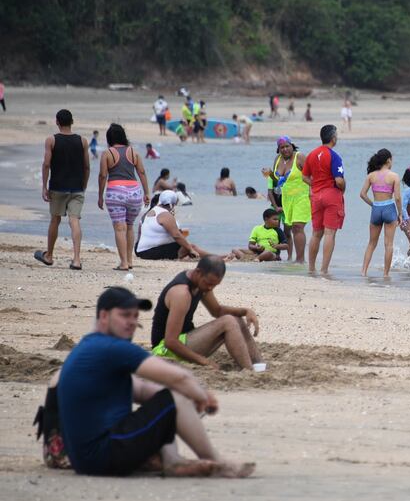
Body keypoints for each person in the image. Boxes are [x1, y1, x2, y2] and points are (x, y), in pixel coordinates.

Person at [54, 285, 254, 477]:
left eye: (135, 316)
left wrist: (187, 397)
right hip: (104, 454)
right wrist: (202, 397)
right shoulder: (112, 347)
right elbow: (178, 377)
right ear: (104, 316)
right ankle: (218, 463)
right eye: (125, 315)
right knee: (176, 395)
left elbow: (141, 389)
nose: (132, 322)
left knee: (170, 396)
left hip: (85, 459)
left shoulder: (90, 345)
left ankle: (173, 461)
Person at [151, 256, 263, 371]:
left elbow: (217, 310)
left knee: (236, 319)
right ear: (198, 272)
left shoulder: (201, 284)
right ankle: (249, 370)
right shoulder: (181, 293)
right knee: (228, 322)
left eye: (214, 285)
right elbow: (170, 341)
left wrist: (246, 311)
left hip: (185, 339)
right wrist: (203, 361)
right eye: (209, 283)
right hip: (164, 349)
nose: (210, 288)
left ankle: (259, 366)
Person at [36, 109, 89, 270]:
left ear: (57, 122)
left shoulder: (51, 140)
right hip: (77, 187)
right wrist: (84, 185)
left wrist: (44, 186)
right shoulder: (82, 141)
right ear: (72, 122)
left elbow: (46, 164)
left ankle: (49, 256)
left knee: (55, 219)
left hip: (58, 186)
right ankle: (77, 259)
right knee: (74, 220)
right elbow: (87, 166)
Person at [97, 124, 149, 271]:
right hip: (134, 192)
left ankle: (124, 263)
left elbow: (102, 175)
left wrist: (100, 195)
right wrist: (146, 193)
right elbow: (142, 172)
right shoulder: (133, 152)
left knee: (120, 228)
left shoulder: (107, 153)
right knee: (130, 226)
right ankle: (130, 260)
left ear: (109, 138)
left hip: (116, 192)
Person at [302, 124, 345, 274]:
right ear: (333, 138)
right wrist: (343, 188)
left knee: (316, 233)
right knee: (329, 233)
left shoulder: (311, 154)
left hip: (316, 195)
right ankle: (324, 270)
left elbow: (304, 177)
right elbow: (339, 180)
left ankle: (311, 268)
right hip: (331, 194)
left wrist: (315, 185)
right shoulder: (334, 156)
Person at [263, 136, 310, 264]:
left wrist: (313, 191)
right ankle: (294, 259)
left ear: (292, 146)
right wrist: (270, 174)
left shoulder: (299, 157)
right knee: (291, 229)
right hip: (286, 199)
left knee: (298, 227)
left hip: (302, 197)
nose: (285, 149)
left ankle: (300, 260)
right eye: (281, 147)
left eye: (287, 146)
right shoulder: (277, 159)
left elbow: (312, 175)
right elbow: (276, 180)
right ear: (278, 149)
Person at [359, 149, 402, 276]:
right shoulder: (394, 176)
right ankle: (385, 274)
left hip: (376, 209)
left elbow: (362, 194)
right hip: (389, 209)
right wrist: (400, 214)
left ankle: (363, 271)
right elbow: (397, 198)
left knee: (371, 243)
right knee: (388, 245)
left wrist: (373, 204)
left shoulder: (371, 176)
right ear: (388, 160)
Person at [135, 191, 211, 261]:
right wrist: (191, 249)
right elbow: (176, 235)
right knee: (189, 247)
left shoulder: (153, 211)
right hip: (148, 252)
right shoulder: (165, 214)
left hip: (140, 250)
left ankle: (210, 257)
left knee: (185, 245)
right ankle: (213, 258)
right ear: (173, 203)